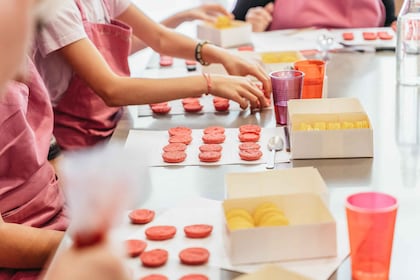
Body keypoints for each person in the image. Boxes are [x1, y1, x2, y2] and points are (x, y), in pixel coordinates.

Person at [33, 0, 272, 151]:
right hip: (76, 144)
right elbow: (111, 89)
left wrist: (221, 54)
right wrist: (209, 82)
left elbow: (158, 37)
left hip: (112, 124)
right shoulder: (57, 8)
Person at [0, 1, 128, 279]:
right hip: (23, 248)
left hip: (55, 217)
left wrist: (84, 197)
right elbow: (2, 241)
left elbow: (47, 146)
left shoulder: (21, 61)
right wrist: (75, 247)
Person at [232, 0, 397, 32]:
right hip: (289, 79)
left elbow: (389, 23)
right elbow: (231, 27)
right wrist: (249, 30)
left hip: (362, 78)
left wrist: (397, 27)